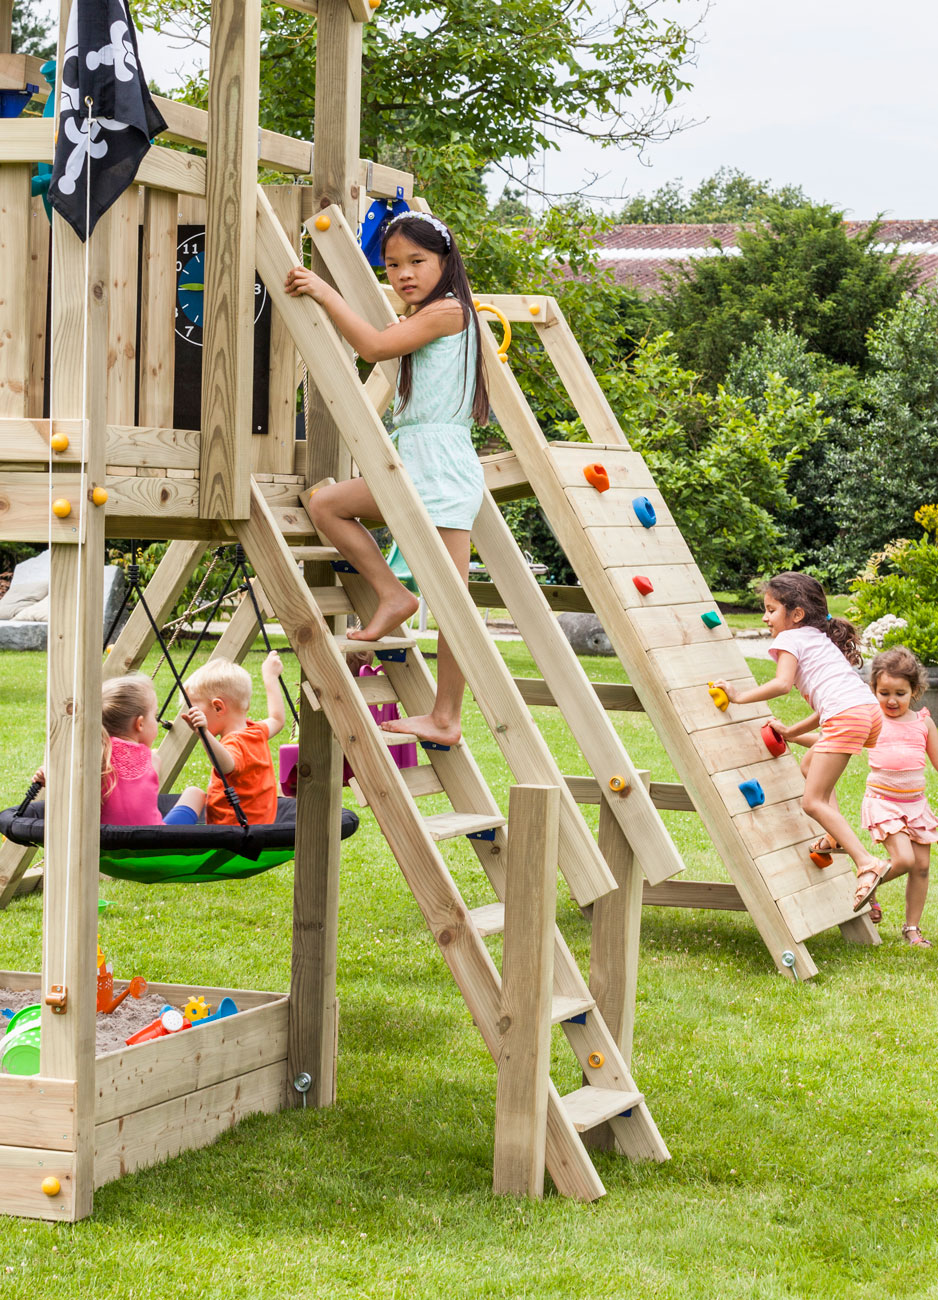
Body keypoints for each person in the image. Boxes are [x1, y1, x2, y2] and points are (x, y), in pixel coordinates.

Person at [284, 210, 488, 747]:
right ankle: (392, 593)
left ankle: (446, 717)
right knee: (328, 505)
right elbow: (388, 336)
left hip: (438, 465)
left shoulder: (448, 311)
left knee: (453, 602)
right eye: (392, 264)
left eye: (417, 261)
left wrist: (328, 294)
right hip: (415, 460)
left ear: (445, 262)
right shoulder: (429, 315)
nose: (403, 273)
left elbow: (373, 348)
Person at [712, 572, 887, 913]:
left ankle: (867, 863)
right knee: (809, 764)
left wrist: (738, 696)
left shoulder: (790, 640)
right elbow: (829, 705)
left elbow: (782, 685)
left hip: (846, 715)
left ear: (796, 614)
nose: (765, 618)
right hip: (866, 712)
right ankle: (834, 837)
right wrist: (792, 732)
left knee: (812, 802)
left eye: (771, 610)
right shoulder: (817, 638)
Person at [33, 674, 203, 826]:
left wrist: (50, 777)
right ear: (140, 724)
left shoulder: (91, 757)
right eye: (155, 716)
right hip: (154, 846)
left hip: (104, 846)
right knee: (195, 793)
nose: (157, 721)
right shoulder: (152, 760)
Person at [858, 647, 938, 946]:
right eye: (884, 692)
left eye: (900, 693)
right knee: (903, 859)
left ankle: (912, 929)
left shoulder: (924, 723)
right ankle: (867, 882)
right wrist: (792, 733)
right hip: (883, 801)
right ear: (874, 690)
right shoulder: (872, 719)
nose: (892, 700)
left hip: (916, 805)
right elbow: (833, 739)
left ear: (915, 691)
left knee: (921, 867)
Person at [176, 652, 285, 825]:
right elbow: (278, 719)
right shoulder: (256, 732)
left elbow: (226, 765)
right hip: (259, 826)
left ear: (218, 707)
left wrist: (203, 733)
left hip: (231, 832)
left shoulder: (234, 742)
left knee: (192, 793)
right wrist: (270, 677)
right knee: (194, 793)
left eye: (194, 708)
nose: (190, 714)